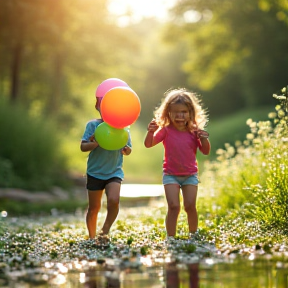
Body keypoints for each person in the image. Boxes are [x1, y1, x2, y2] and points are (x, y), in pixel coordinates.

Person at [144, 88, 210, 238]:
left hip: (190, 175)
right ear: (168, 113)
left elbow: (205, 151)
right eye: (176, 112)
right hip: (170, 175)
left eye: (184, 112)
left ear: (191, 113)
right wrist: (150, 132)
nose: (180, 116)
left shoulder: (194, 131)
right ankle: (171, 237)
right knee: (173, 206)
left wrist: (204, 139)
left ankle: (193, 234)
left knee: (190, 206)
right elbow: (149, 144)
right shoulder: (166, 131)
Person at [80, 96, 132, 242]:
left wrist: (126, 150)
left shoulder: (123, 128)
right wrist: (95, 143)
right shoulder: (92, 125)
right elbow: (83, 146)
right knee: (94, 207)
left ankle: (104, 231)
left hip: (114, 171)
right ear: (98, 107)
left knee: (114, 200)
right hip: (95, 172)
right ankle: (91, 238)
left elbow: (128, 149)